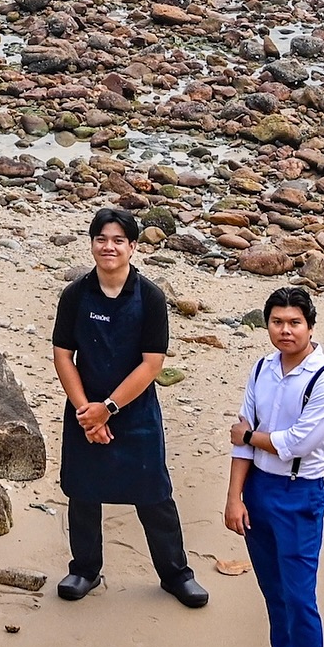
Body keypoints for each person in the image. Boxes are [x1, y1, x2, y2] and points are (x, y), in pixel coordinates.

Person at [52, 207, 208, 609]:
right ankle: (85, 569)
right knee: (83, 492)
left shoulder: (151, 297)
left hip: (133, 411)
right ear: (91, 245)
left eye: (118, 240)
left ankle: (176, 573)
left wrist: (109, 408)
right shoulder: (75, 294)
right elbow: (62, 354)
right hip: (84, 407)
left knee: (153, 493)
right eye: (102, 239)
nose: (109, 246)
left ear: (133, 247)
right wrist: (87, 411)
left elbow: (152, 364)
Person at [226, 286, 324, 647]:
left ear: (310, 326)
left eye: (294, 322)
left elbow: (296, 443)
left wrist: (251, 434)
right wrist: (234, 497)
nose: (285, 330)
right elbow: (242, 438)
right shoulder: (262, 369)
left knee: (301, 599)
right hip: (258, 489)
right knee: (272, 587)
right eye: (277, 322)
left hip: (299, 496)